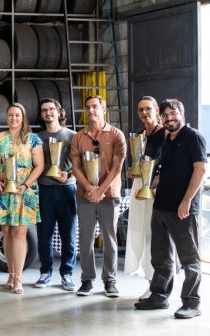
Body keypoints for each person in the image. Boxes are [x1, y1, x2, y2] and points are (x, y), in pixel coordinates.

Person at [135, 99, 205, 319]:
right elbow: (163, 172)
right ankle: (159, 296)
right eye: (164, 115)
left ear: (182, 114)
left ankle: (192, 303)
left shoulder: (193, 136)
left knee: (189, 259)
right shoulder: (167, 139)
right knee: (161, 257)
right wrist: (147, 185)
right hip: (161, 207)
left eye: (173, 113)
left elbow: (200, 170)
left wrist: (186, 201)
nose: (169, 118)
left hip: (182, 209)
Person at [70, 95, 126, 297]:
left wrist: (100, 190)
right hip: (84, 195)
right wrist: (88, 188)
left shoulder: (117, 135)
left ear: (104, 110)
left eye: (95, 106)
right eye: (88, 107)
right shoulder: (78, 137)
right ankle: (87, 280)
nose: (91, 110)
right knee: (85, 238)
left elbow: (117, 167)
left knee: (110, 238)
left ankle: (110, 281)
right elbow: (75, 167)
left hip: (109, 194)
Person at [0, 103, 44, 294]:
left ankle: (19, 278)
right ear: (6, 117)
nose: (13, 118)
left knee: (19, 233)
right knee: (6, 231)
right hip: (3, 190)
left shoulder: (32, 139)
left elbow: (39, 166)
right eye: (10, 115)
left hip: (24, 191)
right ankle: (11, 274)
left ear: (23, 117)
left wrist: (25, 185)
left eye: (17, 115)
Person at [34, 99, 78, 291]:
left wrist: (69, 174)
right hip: (44, 189)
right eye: (44, 110)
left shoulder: (72, 136)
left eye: (52, 109)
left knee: (68, 234)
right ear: (41, 114)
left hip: (67, 189)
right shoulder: (36, 138)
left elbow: (81, 164)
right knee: (44, 234)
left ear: (60, 112)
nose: (48, 112)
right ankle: (45, 272)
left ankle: (67, 273)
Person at [124, 96, 164, 300]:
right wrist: (132, 172)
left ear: (157, 110)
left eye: (148, 108)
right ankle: (150, 284)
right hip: (139, 187)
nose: (144, 113)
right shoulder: (139, 135)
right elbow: (137, 164)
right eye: (140, 110)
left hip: (156, 189)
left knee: (153, 236)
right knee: (141, 234)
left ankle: (157, 286)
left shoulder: (165, 134)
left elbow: (167, 164)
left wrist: (155, 182)